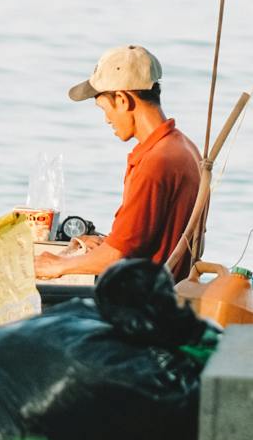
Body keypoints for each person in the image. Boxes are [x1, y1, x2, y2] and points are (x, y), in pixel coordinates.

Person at [32, 45, 203, 280]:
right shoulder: (182, 146)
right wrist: (104, 245)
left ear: (122, 99)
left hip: (144, 299)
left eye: (104, 108)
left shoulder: (156, 161)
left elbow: (118, 256)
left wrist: (57, 265)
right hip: (168, 286)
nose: (106, 119)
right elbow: (139, 241)